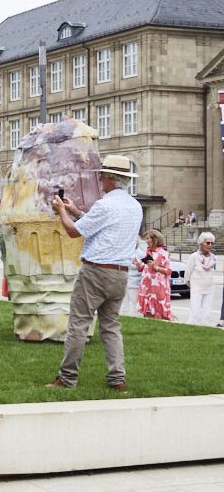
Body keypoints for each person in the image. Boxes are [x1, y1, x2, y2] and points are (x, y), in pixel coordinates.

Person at [47, 154, 143, 391]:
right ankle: (117, 379)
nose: (99, 178)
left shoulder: (105, 205)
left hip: (96, 271)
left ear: (111, 178)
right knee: (111, 327)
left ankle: (67, 378)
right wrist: (77, 211)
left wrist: (62, 210)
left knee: (78, 325)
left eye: (102, 175)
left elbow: (73, 232)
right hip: (120, 274)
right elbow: (99, 226)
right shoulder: (135, 206)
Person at [135, 229, 175, 321]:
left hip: (158, 288)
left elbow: (168, 271)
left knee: (160, 313)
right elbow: (144, 267)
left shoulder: (163, 253)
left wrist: (155, 267)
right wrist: (138, 264)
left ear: (155, 239)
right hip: (147, 286)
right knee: (148, 311)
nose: (146, 241)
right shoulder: (148, 252)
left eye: (148, 238)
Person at [185, 232, 216, 326]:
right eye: (207, 243)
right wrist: (190, 284)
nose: (210, 245)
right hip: (197, 286)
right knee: (194, 310)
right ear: (201, 244)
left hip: (209, 287)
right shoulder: (194, 256)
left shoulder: (213, 257)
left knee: (206, 311)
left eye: (211, 243)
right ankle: (191, 325)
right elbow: (188, 272)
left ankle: (204, 325)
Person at [120, 237, 145, 317]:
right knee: (123, 305)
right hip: (124, 281)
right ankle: (123, 319)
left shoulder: (139, 253)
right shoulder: (124, 252)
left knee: (136, 305)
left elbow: (141, 267)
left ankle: (139, 320)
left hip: (134, 282)